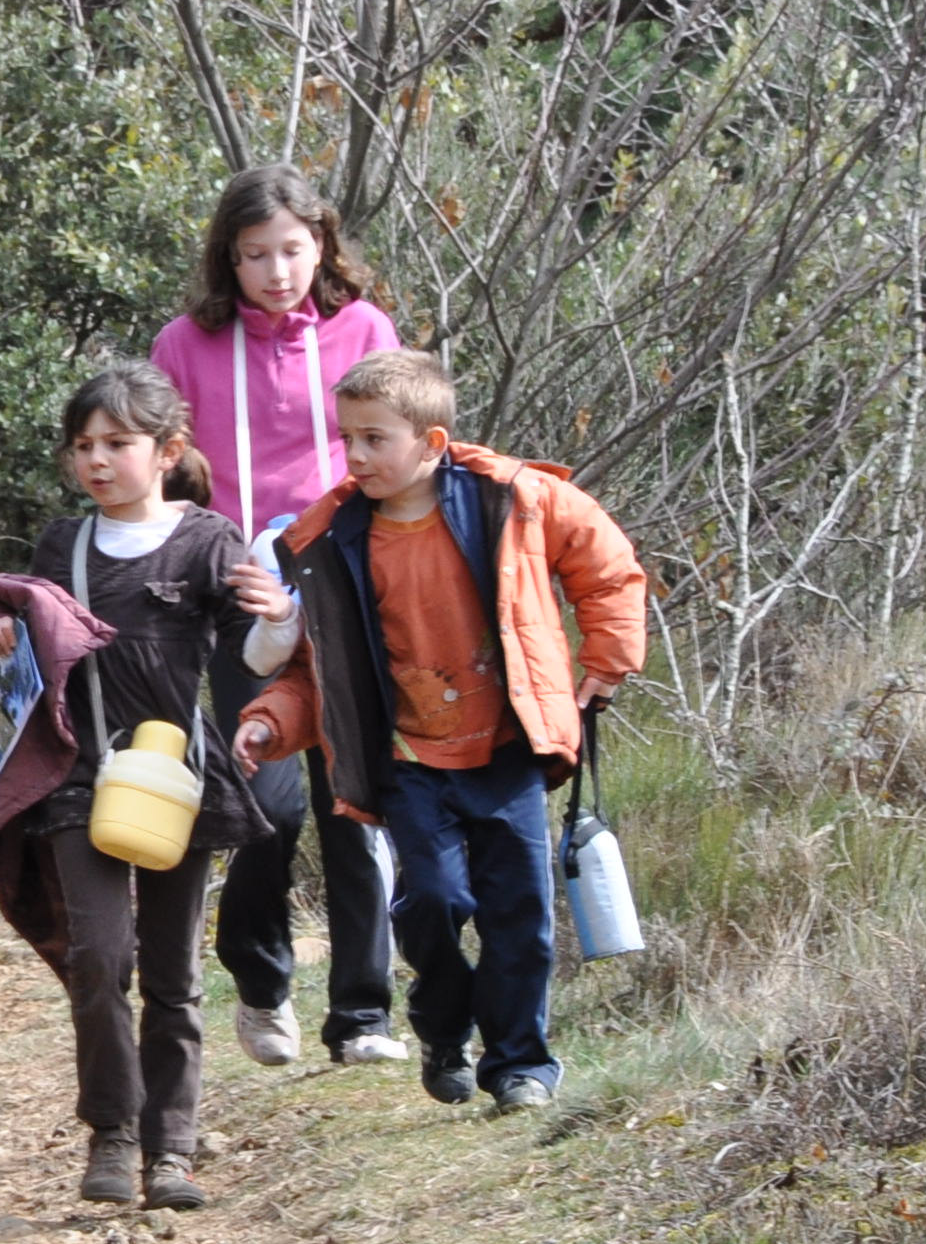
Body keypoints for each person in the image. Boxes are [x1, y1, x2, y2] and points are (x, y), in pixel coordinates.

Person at [233, 349, 645, 1113]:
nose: (355, 456)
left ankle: (521, 1066)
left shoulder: (512, 499)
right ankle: (443, 1026)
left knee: (519, 914)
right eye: (346, 438)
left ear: (432, 443)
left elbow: (606, 566)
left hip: (507, 747)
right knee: (432, 902)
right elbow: (321, 667)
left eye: (374, 439)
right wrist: (269, 722)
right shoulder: (331, 540)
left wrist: (607, 662)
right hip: (408, 760)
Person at [0, 366, 270, 1209]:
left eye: (117, 444)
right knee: (98, 958)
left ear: (167, 452)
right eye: (83, 446)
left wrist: (280, 624)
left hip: (176, 779)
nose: (97, 461)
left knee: (172, 974)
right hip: (77, 776)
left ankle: (170, 1151)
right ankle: (112, 1132)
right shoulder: (62, 546)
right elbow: (34, 648)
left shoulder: (211, 541)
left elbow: (256, 655)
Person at [148, 166, 406, 1073]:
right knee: (266, 795)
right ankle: (260, 981)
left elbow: (395, 446)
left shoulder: (363, 330)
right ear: (229, 258)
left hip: (342, 577)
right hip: (236, 586)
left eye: (293, 250)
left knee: (354, 795)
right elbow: (163, 466)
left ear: (323, 244)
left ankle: (362, 1014)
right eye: (255, 255)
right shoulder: (185, 342)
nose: (277, 271)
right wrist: (207, 558)